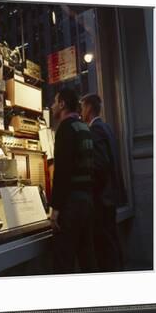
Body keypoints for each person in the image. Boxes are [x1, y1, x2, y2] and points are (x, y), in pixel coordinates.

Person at [49, 88, 97, 273]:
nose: (52, 106)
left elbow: (62, 172)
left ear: (62, 104)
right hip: (86, 201)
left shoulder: (65, 128)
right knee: (87, 257)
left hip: (70, 205)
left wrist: (55, 209)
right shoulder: (84, 127)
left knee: (64, 262)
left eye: (55, 102)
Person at [80, 93, 124, 271]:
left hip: (101, 200)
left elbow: (100, 164)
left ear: (89, 108)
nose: (81, 112)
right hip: (111, 197)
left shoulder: (94, 130)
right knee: (112, 243)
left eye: (82, 107)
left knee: (104, 248)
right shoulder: (106, 127)